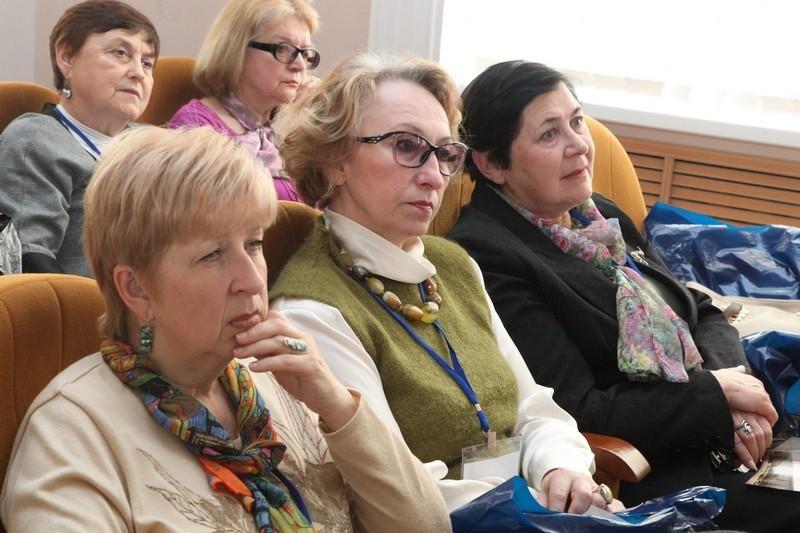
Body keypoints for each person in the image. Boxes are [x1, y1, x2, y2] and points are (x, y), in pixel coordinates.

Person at [0, 126, 450, 532]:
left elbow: (427, 526)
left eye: (254, 243)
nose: (253, 280)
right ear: (137, 289)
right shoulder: (72, 433)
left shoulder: (284, 379)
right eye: (212, 255)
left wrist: (337, 403)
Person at [449, 60, 796, 531]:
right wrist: (715, 397)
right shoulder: (490, 255)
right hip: (655, 473)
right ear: (492, 163)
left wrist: (733, 395)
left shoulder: (596, 216)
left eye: (576, 121)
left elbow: (700, 310)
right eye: (549, 134)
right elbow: (576, 407)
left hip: (722, 437)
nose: (579, 143)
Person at [268, 53, 616, 514]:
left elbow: (534, 409)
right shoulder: (312, 313)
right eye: (406, 147)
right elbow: (398, 490)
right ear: (335, 162)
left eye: (445, 154)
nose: (435, 177)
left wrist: (561, 471)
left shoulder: (452, 264)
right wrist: (542, 509)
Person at [0, 0, 159, 277]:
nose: (138, 73)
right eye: (120, 53)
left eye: (147, 63)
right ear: (67, 58)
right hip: (86, 303)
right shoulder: (37, 139)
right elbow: (28, 259)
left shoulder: (156, 146)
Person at [169, 0, 319, 202]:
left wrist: (317, 123)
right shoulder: (195, 128)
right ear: (237, 49)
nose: (300, 65)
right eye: (283, 49)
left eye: (305, 53)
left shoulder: (293, 130)